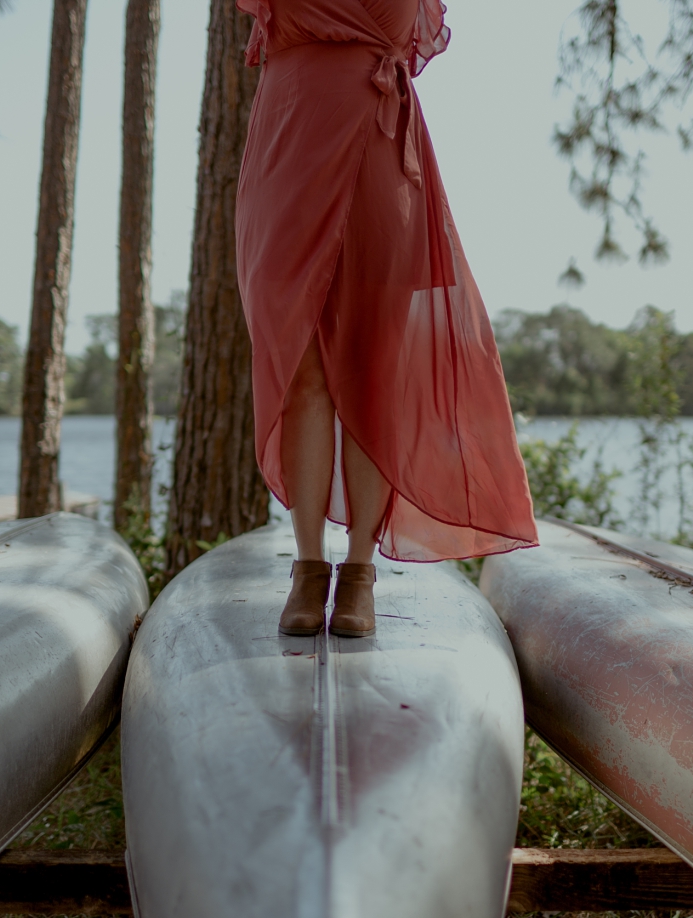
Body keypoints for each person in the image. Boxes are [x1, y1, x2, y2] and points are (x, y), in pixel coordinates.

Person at [235, 0, 537, 639]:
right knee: (302, 371)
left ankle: (360, 574)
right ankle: (308, 566)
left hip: (377, 147)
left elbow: (405, 37)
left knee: (374, 369)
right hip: (288, 144)